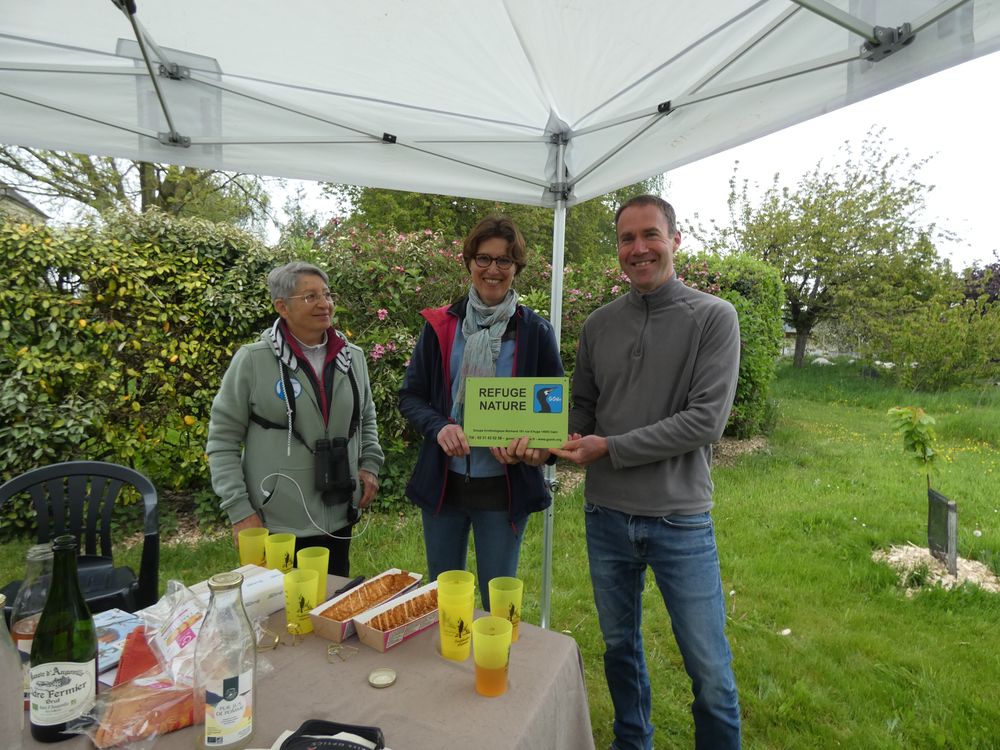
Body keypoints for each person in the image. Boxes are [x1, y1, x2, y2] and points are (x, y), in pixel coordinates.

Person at [551, 195, 742, 750]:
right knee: (619, 649)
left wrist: (607, 448)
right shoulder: (599, 324)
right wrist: (543, 442)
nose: (638, 249)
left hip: (679, 520)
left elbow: (704, 422)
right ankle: (632, 742)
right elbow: (582, 407)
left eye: (650, 235)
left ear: (675, 240)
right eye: (626, 239)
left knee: (708, 667)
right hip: (606, 515)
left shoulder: (714, 317)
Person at [398, 216, 563, 610]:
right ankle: (447, 668)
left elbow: (551, 410)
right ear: (469, 262)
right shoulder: (441, 326)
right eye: (484, 258)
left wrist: (533, 446)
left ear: (516, 268)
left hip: (504, 489)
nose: (493, 269)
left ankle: (494, 668)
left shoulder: (535, 332)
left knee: (497, 604)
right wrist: (439, 427)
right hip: (444, 485)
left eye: (504, 261)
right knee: (443, 598)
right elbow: (411, 396)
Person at [207, 261, 384, 577]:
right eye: (310, 296)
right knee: (278, 611)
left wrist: (370, 464)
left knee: (331, 609)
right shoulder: (253, 360)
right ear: (282, 307)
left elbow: (367, 417)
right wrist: (239, 511)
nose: (324, 304)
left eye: (327, 294)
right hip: (276, 520)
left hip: (339, 511)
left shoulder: (352, 357)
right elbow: (222, 440)